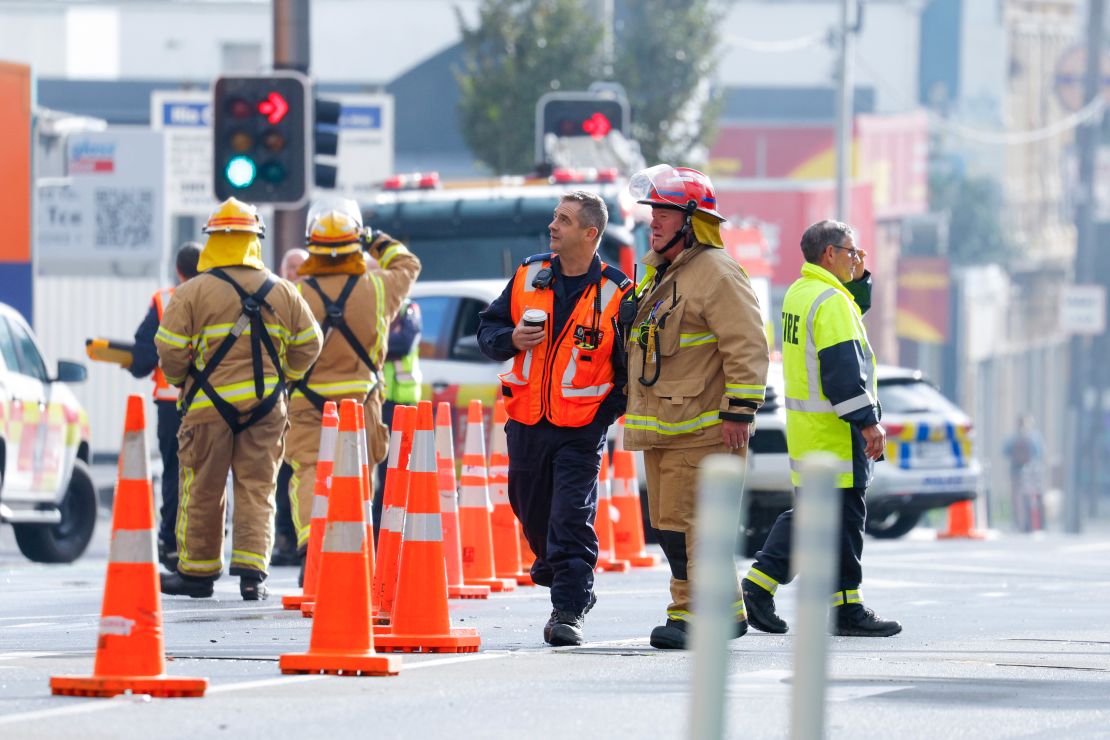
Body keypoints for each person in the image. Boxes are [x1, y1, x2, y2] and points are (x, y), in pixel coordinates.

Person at [620, 164, 769, 650]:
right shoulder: (664, 273)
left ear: (691, 220)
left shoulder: (717, 273)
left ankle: (689, 616)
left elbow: (747, 345)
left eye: (664, 212)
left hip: (701, 428)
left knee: (688, 529)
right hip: (666, 425)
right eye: (651, 212)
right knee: (674, 529)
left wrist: (739, 411)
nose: (653, 221)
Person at [477, 190, 631, 647]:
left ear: (590, 233)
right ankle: (561, 570)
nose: (553, 225)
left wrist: (603, 416)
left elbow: (631, 370)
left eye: (563, 219)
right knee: (528, 507)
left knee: (570, 515)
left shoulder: (617, 291)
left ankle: (568, 606)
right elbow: (487, 331)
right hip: (526, 420)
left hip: (581, 428)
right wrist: (511, 338)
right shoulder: (529, 272)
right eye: (554, 217)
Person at [155, 197, 322, 601]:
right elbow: (310, 344)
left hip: (206, 408)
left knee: (202, 488)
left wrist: (182, 380)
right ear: (255, 241)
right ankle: (252, 575)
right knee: (258, 487)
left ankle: (197, 575)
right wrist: (287, 377)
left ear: (213, 240)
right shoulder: (282, 291)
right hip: (266, 409)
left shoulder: (191, 292)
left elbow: (171, 354)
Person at [742, 219, 902, 637]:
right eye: (852, 252)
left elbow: (852, 309)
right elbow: (842, 373)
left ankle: (759, 587)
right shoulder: (830, 301)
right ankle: (845, 609)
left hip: (810, 433)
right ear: (829, 253)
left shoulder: (802, 292)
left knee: (814, 518)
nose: (857, 258)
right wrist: (868, 423)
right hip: (836, 435)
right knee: (843, 522)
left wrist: (860, 275)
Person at [284, 199, 420, 577]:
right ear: (354, 243)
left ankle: (313, 544)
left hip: (307, 400)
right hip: (361, 399)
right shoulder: (378, 287)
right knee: (360, 470)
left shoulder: (295, 292)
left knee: (309, 470)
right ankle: (354, 548)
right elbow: (408, 264)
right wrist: (375, 239)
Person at [127, 242, 202, 572]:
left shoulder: (164, 300)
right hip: (215, 403)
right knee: (209, 475)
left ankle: (171, 545)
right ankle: (205, 543)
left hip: (172, 404)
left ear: (178, 270)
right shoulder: (222, 296)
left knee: (174, 472)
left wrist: (134, 364)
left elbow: (142, 358)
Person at [372, 296, 423, 536]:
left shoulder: (407, 308)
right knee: (379, 476)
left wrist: (375, 343)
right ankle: (377, 535)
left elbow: (404, 343)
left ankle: (395, 533)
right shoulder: (368, 304)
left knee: (400, 473)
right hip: (376, 402)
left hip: (403, 403)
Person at [272, 246, 310, 566]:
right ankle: (286, 538)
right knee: (282, 476)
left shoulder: (311, 300)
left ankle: (302, 540)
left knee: (304, 473)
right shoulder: (276, 298)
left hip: (305, 401)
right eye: (291, 266)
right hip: (282, 401)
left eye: (300, 266)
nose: (295, 272)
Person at [1003, 414, 1044, 531]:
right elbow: (1040, 452)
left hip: (1015, 469)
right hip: (1031, 470)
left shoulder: (1012, 437)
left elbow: (1005, 451)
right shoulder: (1034, 436)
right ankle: (1032, 522)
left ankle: (1018, 521)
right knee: (1032, 495)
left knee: (1016, 496)